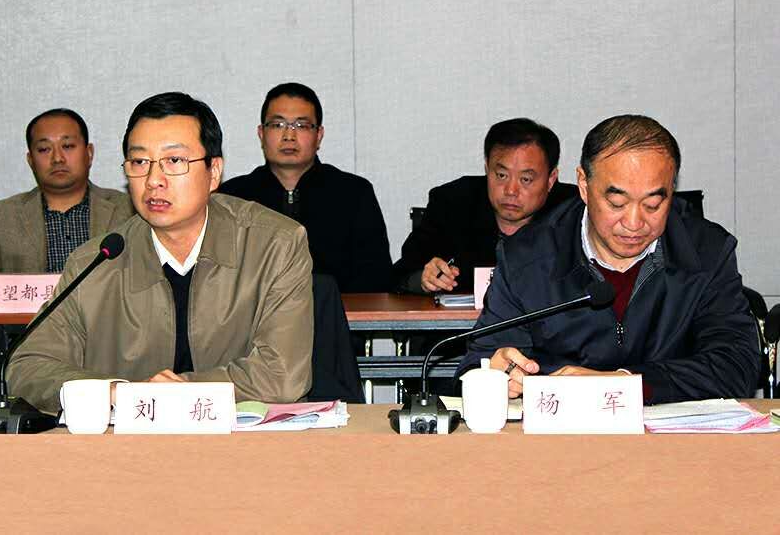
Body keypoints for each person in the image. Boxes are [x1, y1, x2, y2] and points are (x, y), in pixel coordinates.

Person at [8, 92, 314, 413]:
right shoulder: (97, 262)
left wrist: (184, 392)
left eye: (175, 161)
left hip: (243, 438)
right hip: (131, 440)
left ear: (213, 171)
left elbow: (283, 375)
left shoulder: (275, 244)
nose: (154, 180)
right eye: (140, 162)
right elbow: (27, 366)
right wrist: (114, 392)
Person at [455, 115, 760, 404]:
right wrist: (495, 374)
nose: (634, 222)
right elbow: (476, 365)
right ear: (584, 185)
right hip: (562, 433)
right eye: (617, 203)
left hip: (673, 435)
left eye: (653, 204)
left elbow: (738, 367)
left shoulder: (706, 251)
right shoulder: (526, 257)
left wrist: (625, 383)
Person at [220, 82, 392, 293]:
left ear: (319, 135)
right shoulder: (232, 197)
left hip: (335, 311)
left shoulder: (354, 193)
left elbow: (377, 277)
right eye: (277, 125)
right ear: (261, 134)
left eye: (301, 126)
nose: (289, 136)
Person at [393, 118, 577, 294]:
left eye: (526, 179)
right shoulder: (453, 203)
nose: (511, 190)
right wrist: (423, 280)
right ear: (487, 170)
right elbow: (400, 275)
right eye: (501, 175)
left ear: (551, 180)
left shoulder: (573, 211)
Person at [0, 108, 134, 274]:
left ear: (89, 153)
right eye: (44, 149)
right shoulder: (0, 218)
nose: (57, 158)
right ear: (30, 160)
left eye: (68, 146)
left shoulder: (129, 210)